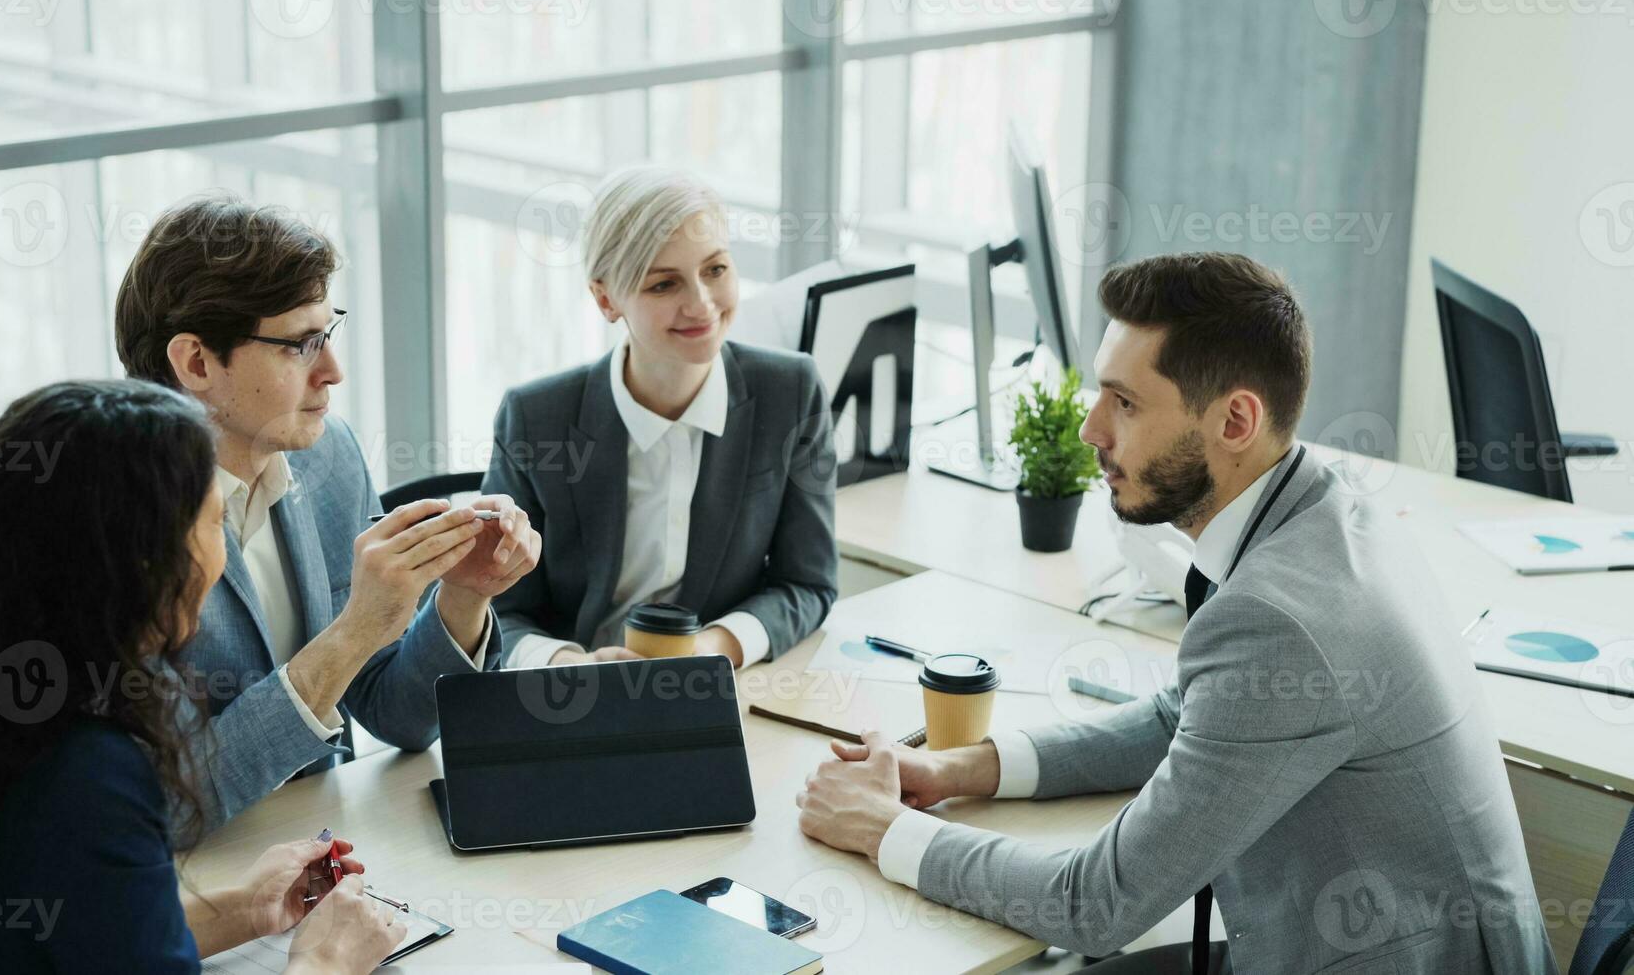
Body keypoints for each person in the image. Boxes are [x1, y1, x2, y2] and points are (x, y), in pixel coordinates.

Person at [796, 253, 1557, 973]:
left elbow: (1093, 904)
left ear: (1234, 422)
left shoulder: (1283, 622)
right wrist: (956, 768)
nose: (1092, 429)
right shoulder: (1319, 501)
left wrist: (884, 829)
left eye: (1125, 403)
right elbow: (1179, 718)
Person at [0, 380, 402, 973]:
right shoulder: (90, 772)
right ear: (143, 559)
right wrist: (326, 962)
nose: (223, 557)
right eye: (215, 523)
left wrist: (244, 909)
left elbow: (77, 929)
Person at [114, 194, 542, 832]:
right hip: (189, 884)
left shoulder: (326, 455)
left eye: (328, 334)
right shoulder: (109, 519)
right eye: (300, 346)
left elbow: (397, 716)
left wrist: (463, 598)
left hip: (326, 847)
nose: (334, 372)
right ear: (197, 362)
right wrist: (355, 630)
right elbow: (172, 803)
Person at [482, 167, 838, 670]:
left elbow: (808, 582)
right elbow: (497, 605)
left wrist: (714, 650)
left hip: (718, 688)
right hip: (569, 698)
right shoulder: (536, 417)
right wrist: (568, 665)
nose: (701, 304)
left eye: (715, 269)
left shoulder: (791, 391)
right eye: (664, 284)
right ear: (606, 299)